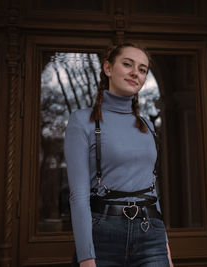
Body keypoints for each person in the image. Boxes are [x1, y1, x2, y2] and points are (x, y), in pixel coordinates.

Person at [64, 43, 173, 267]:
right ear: (108, 68)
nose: (135, 73)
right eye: (127, 64)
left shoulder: (147, 126)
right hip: (102, 236)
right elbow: (78, 196)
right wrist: (86, 257)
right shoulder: (82, 121)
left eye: (142, 69)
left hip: (150, 235)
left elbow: (152, 192)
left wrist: (166, 251)